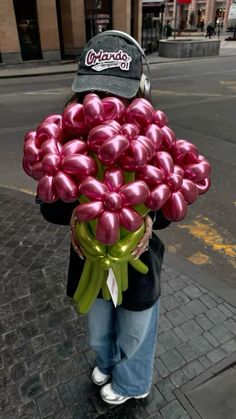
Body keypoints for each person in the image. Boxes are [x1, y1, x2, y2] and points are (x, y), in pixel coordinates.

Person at [38, 30, 171, 405]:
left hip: (137, 260)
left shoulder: (153, 138)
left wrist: (146, 219)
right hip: (88, 259)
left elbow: (165, 211)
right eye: (93, 93)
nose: (103, 104)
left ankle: (133, 381)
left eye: (117, 93)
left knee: (135, 330)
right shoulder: (67, 140)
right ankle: (108, 359)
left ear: (141, 89)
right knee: (98, 329)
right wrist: (73, 207)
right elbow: (50, 206)